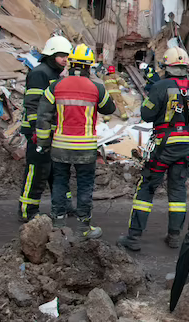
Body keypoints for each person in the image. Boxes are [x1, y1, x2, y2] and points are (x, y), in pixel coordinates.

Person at [117, 47, 189, 251]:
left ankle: (134, 237)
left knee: (147, 188)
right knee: (178, 191)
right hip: (185, 147)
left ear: (166, 67)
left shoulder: (160, 86)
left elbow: (146, 115)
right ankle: (174, 236)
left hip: (163, 147)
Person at [35, 44, 116, 238]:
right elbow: (110, 109)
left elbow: (43, 116)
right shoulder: (96, 88)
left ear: (70, 64)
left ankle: (58, 225)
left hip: (60, 146)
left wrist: (43, 143)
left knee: (60, 183)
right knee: (85, 185)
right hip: (85, 147)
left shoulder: (55, 86)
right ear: (89, 66)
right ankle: (83, 228)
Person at [18, 34, 73, 222]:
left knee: (55, 170)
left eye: (66, 56)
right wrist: (37, 131)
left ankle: (64, 205)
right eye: (61, 56)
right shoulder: (40, 73)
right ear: (51, 55)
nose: (65, 60)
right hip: (38, 133)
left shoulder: (54, 74)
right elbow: (33, 104)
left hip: (49, 131)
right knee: (37, 170)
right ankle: (27, 210)